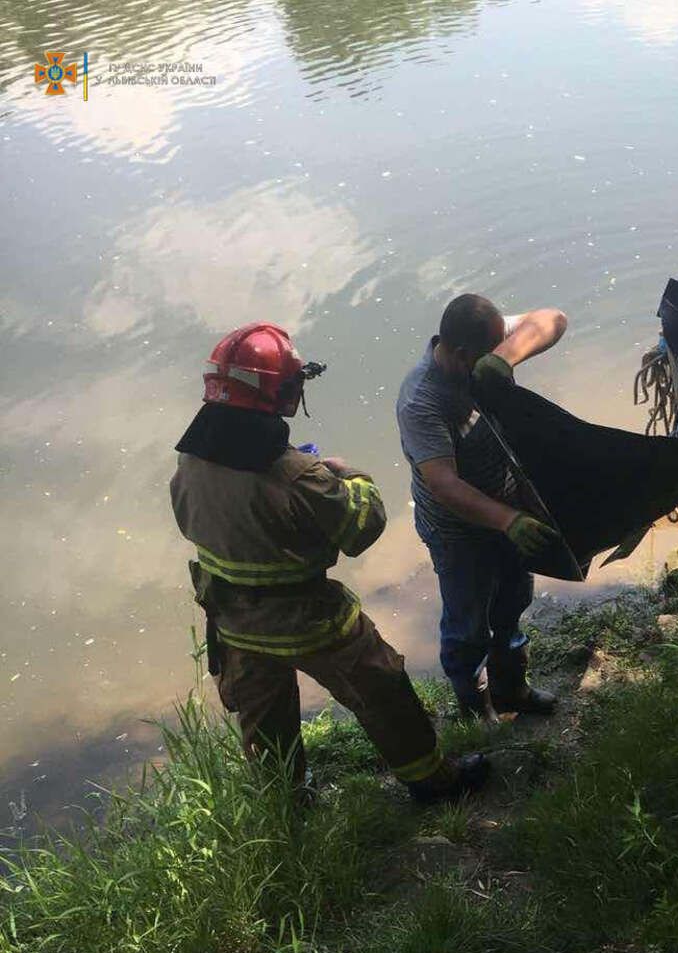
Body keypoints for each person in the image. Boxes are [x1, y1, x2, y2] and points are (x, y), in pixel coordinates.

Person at [171, 323, 487, 803]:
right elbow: (361, 529)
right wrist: (348, 476)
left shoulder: (190, 463)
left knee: (265, 719)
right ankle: (431, 781)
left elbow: (195, 519)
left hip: (233, 622)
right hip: (309, 619)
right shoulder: (298, 476)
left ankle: (286, 804)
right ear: (278, 393)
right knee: (382, 689)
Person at [396, 295, 568, 721]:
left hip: (507, 510)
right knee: (468, 625)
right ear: (457, 353)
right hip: (458, 530)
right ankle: (476, 710)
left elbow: (552, 316)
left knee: (512, 601)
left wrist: (504, 357)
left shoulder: (483, 342)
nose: (494, 356)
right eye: (485, 356)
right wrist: (508, 520)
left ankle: (512, 689)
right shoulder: (422, 399)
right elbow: (443, 484)